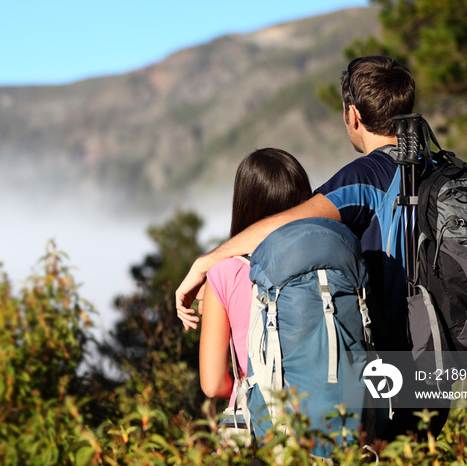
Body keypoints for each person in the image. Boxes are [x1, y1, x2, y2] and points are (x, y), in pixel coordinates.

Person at [177, 56, 450, 440]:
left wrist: (208, 263)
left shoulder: (364, 176)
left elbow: (290, 226)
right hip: (448, 358)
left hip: (388, 360)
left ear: (353, 114)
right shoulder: (439, 167)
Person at [199, 148, 312, 427]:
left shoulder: (224, 273)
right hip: (324, 414)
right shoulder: (327, 261)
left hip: (259, 423)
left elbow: (212, 385)